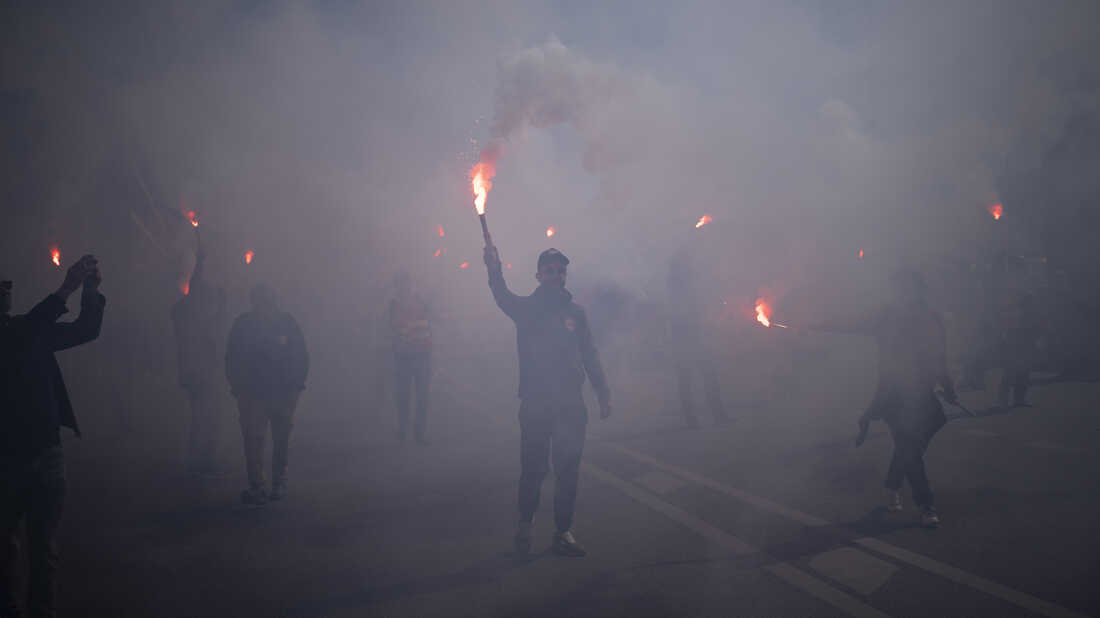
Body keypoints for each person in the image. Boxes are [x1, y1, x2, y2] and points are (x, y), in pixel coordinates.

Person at [483, 245, 611, 557]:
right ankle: (524, 526)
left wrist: (602, 392)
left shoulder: (576, 313)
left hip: (570, 404)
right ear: (539, 276)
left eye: (560, 270)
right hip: (536, 404)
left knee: (568, 469)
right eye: (550, 270)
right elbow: (501, 295)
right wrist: (493, 268)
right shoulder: (526, 309)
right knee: (534, 469)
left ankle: (562, 532)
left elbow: (590, 354)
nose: (556, 275)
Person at [1, 255, 105, 618]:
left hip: (46, 454)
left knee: (43, 549)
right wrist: (68, 287)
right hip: (7, 459)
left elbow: (85, 330)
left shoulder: (29, 330)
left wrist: (89, 291)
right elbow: (24, 333)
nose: (6, 295)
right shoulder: (22, 333)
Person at [811, 270, 956, 528]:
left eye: (908, 289)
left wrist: (948, 387)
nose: (903, 295)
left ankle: (892, 484)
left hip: (922, 394)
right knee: (910, 450)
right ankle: (926, 504)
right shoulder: (886, 318)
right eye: (899, 290)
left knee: (910, 447)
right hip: (893, 395)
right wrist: (813, 324)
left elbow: (938, 358)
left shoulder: (929, 319)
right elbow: (848, 324)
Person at [225, 284, 309, 505]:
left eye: (268, 300)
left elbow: (300, 356)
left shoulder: (287, 323)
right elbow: (232, 357)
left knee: (280, 440)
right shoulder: (244, 325)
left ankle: (277, 483)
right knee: (253, 440)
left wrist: (296, 387)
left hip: (282, 393)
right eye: (261, 300)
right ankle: (258, 486)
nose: (265, 305)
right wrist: (237, 386)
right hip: (253, 394)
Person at [170, 241, 226, 477]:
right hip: (198, 371)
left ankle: (200, 459)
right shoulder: (187, 314)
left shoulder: (183, 312)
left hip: (196, 371)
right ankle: (202, 461)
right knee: (205, 415)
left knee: (202, 415)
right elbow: (197, 289)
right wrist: (200, 262)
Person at [666, 252, 729, 428]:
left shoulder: (684, 286)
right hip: (683, 336)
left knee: (705, 374)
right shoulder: (677, 287)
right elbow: (680, 312)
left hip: (692, 335)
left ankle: (713, 415)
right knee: (690, 378)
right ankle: (695, 418)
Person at [388, 272, 432, 444]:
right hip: (405, 356)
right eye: (403, 285)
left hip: (421, 354)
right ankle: (403, 430)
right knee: (404, 395)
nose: (407, 288)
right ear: (399, 287)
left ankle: (418, 432)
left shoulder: (420, 301)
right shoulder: (395, 304)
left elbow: (427, 322)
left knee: (422, 396)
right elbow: (396, 327)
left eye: (408, 284)